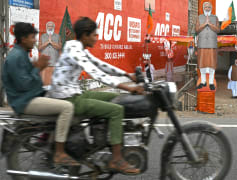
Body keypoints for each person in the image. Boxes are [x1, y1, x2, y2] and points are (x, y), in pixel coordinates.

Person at [48, 17, 142, 174]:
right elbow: (95, 72)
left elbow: (100, 64)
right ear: (85, 36)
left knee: (114, 97)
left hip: (75, 93)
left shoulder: (78, 47)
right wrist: (127, 87)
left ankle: (105, 140)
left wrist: (127, 75)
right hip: (68, 99)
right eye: (94, 35)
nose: (96, 38)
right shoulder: (74, 49)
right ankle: (116, 159)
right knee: (116, 110)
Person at [1, 22, 78, 166]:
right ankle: (59, 152)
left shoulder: (21, 53)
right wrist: (38, 68)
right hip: (24, 102)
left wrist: (37, 69)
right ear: (23, 39)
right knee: (67, 108)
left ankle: (47, 140)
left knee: (60, 96)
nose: (35, 40)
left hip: (28, 97)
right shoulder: (15, 57)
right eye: (32, 37)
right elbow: (24, 84)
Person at [195, 1, 220, 90]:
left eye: (209, 7)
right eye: (205, 7)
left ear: (211, 8)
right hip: (202, 43)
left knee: (212, 63)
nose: (207, 8)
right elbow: (197, 30)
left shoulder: (215, 17)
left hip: (212, 44)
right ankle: (203, 82)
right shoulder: (199, 17)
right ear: (203, 8)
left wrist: (210, 24)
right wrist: (204, 24)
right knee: (202, 63)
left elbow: (217, 30)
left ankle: (211, 82)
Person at [38, 21, 62, 86]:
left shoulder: (57, 36)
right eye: (48, 26)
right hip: (44, 61)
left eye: (51, 26)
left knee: (52, 80)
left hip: (54, 60)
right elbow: (39, 48)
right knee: (44, 80)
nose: (50, 28)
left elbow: (59, 47)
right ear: (46, 27)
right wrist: (46, 43)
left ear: (53, 27)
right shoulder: (42, 36)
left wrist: (52, 42)